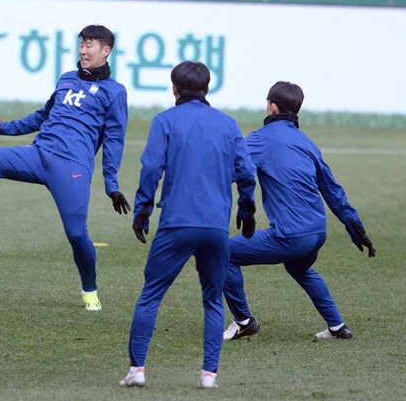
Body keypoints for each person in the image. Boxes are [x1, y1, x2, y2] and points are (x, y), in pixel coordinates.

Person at [0, 24, 129, 311]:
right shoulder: (66, 79)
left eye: (89, 45)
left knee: (77, 234)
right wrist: (4, 127)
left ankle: (89, 289)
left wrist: (112, 186)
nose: (83, 50)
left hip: (72, 168)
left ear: (106, 51)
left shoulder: (115, 92)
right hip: (38, 155)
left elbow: (114, 140)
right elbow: (42, 116)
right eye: (81, 44)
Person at [120, 61, 257, 389]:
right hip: (215, 227)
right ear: (207, 88)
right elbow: (246, 172)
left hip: (176, 224)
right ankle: (209, 375)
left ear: (174, 88)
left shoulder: (164, 121)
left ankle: (137, 370)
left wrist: (142, 211)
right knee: (212, 299)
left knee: (151, 294)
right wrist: (247, 208)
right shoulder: (228, 124)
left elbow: (151, 168)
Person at [222, 81, 376, 342]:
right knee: (299, 268)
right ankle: (337, 326)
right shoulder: (307, 143)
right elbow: (332, 190)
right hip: (316, 234)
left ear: (272, 107)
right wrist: (356, 228)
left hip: (290, 237)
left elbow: (227, 171)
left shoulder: (260, 139)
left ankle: (243, 321)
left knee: (223, 254)